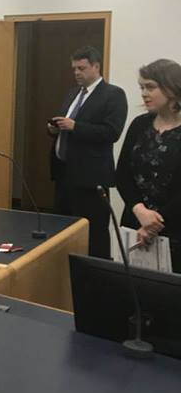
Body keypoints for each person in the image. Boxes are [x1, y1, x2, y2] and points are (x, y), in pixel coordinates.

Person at [48, 45, 127, 258]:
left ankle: (97, 273)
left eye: (81, 68)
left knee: (94, 234)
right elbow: (66, 126)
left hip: (91, 179)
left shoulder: (113, 95)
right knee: (62, 230)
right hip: (64, 174)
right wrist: (54, 129)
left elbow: (111, 132)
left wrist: (76, 126)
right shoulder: (73, 93)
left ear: (96, 67)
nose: (76, 73)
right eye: (74, 68)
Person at [116, 59, 181, 273]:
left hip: (175, 228)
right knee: (131, 287)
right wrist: (139, 210)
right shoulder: (139, 124)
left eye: (150, 87)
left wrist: (154, 223)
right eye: (142, 87)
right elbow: (122, 174)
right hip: (134, 222)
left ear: (172, 88)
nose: (144, 93)